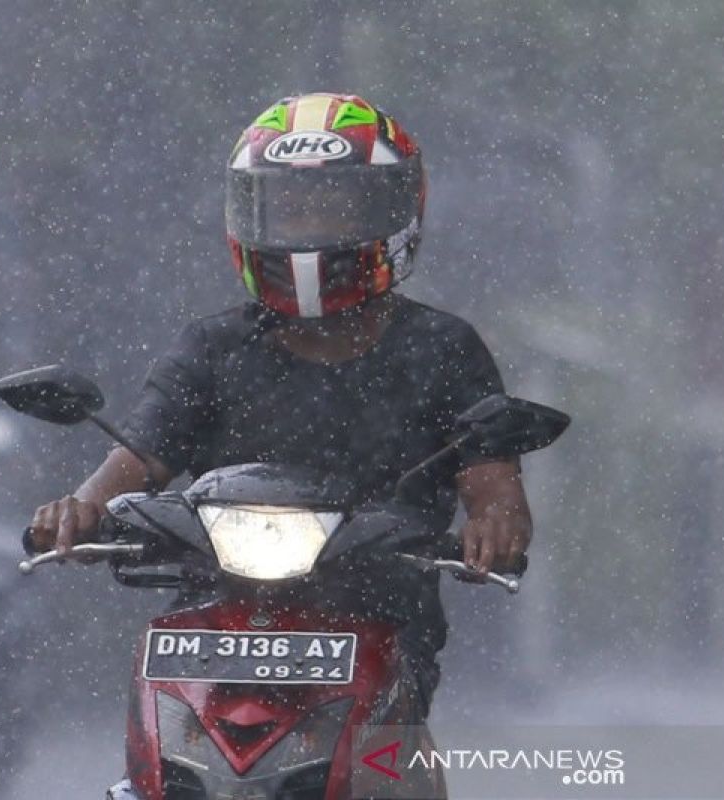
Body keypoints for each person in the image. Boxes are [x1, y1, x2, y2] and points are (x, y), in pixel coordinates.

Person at [27, 92, 531, 717]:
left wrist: (494, 524)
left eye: (335, 209)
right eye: (290, 211)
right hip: (208, 630)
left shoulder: (444, 348)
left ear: (396, 213)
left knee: (385, 763)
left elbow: (495, 490)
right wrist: (79, 509)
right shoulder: (212, 348)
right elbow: (135, 460)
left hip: (378, 616)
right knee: (151, 758)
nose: (311, 230)